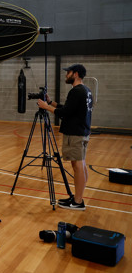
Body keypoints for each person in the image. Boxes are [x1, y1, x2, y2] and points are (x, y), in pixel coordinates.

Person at [37, 64, 93, 211]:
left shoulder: (76, 91)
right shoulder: (86, 91)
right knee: (81, 165)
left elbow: (64, 113)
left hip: (75, 134)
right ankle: (77, 197)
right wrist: (50, 103)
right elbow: (69, 108)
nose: (66, 75)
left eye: (68, 73)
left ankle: (78, 201)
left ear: (75, 74)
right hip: (83, 132)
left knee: (78, 166)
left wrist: (45, 107)